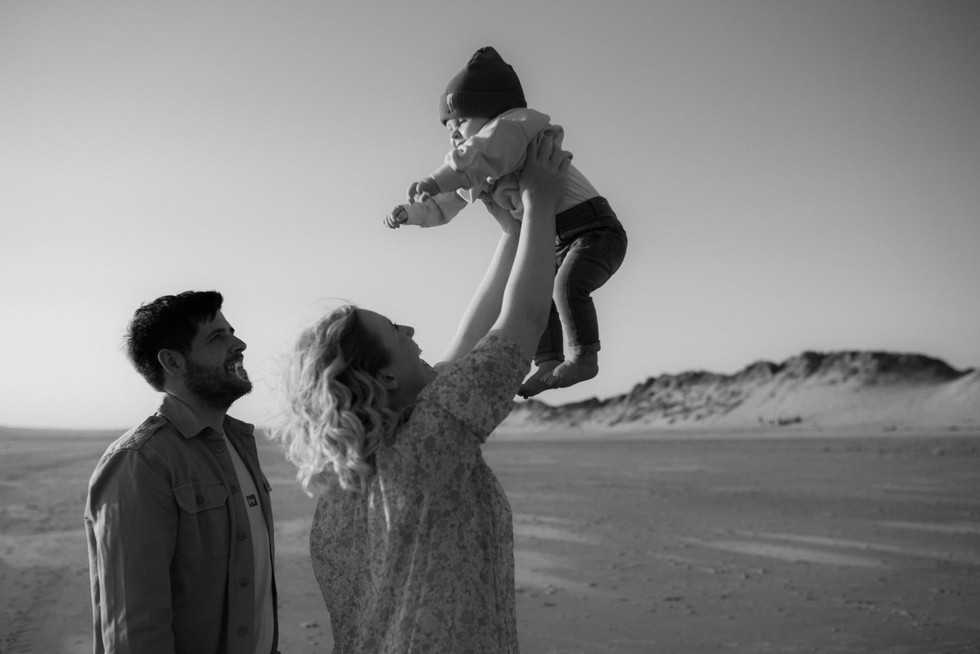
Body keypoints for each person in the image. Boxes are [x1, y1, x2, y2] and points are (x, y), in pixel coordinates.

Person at [273, 132, 569, 652]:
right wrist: (541, 201)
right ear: (383, 378)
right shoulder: (428, 443)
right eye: (396, 331)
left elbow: (471, 338)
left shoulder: (347, 483)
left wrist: (512, 231)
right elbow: (521, 321)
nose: (412, 332)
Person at [384, 45, 628, 398]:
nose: (453, 135)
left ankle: (584, 356)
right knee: (538, 292)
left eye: (461, 122)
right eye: (448, 127)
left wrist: (436, 179)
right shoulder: (487, 168)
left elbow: (474, 156)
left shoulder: (514, 129)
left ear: (494, 113)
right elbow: (449, 201)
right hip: (557, 237)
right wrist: (415, 212)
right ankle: (548, 361)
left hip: (594, 229)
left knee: (565, 288)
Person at [84, 291, 279, 654]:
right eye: (217, 337)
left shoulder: (238, 442)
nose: (240, 344)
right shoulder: (141, 462)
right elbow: (134, 632)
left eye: (232, 332)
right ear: (173, 361)